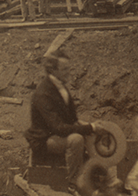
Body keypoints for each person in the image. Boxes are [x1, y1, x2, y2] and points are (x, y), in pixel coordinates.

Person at [25, 54, 101, 184]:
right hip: (43, 139)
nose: (68, 72)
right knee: (76, 140)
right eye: (64, 69)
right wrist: (90, 127)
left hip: (57, 135)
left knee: (89, 134)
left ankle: (98, 175)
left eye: (68, 68)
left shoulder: (61, 88)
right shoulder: (43, 93)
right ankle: (74, 183)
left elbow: (72, 119)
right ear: (53, 70)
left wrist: (89, 127)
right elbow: (58, 128)